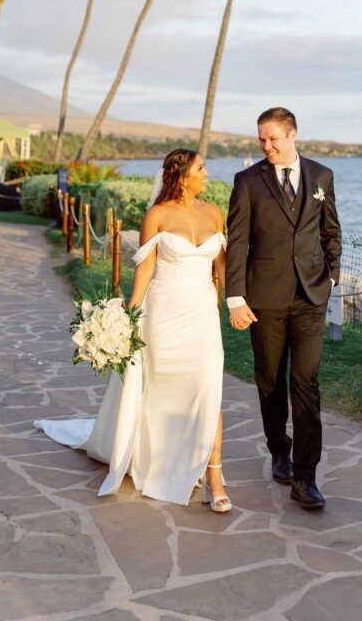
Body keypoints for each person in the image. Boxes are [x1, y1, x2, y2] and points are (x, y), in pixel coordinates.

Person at [35, 149, 230, 510]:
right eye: (201, 168)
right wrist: (130, 313)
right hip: (164, 313)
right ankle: (156, 458)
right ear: (182, 176)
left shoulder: (215, 213)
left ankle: (214, 477)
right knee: (159, 387)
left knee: (209, 388)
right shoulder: (156, 215)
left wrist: (235, 301)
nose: (207, 173)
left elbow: (221, 266)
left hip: (202, 315)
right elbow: (145, 268)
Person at [226, 107, 342, 509]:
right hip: (265, 299)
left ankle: (306, 478)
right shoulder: (247, 181)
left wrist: (331, 278)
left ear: (292, 134)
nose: (266, 146)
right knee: (271, 381)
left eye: (273, 138)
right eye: (261, 139)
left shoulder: (321, 176)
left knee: (306, 383)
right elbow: (237, 241)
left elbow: (331, 231)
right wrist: (235, 296)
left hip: (311, 298)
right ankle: (280, 449)